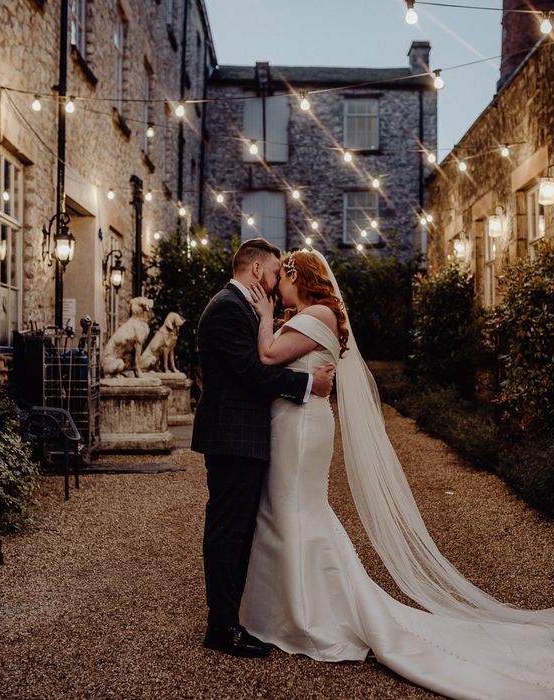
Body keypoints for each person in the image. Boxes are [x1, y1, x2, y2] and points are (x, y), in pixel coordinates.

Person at [240, 248, 554, 699]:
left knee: (294, 511)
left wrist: (265, 314)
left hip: (302, 429)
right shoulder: (316, 315)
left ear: (298, 278)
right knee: (290, 512)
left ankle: (314, 615)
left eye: (281, 279)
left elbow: (268, 356)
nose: (274, 287)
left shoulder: (316, 314)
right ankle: (295, 607)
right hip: (297, 424)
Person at [191, 238, 335, 658]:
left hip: (245, 436)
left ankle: (235, 618)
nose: (276, 282)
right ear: (257, 271)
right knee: (228, 530)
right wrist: (310, 384)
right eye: (274, 273)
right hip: (233, 438)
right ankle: (222, 628)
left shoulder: (242, 308)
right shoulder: (226, 309)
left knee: (241, 529)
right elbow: (251, 372)